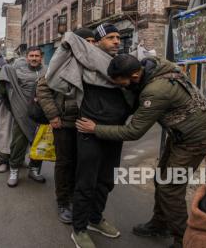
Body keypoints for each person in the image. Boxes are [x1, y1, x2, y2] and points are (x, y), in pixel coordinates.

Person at [76, 54, 206, 248]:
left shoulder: (155, 91)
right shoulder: (156, 65)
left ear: (134, 76)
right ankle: (160, 224)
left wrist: (95, 129)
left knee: (170, 188)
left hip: (194, 139)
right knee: (162, 179)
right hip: (182, 133)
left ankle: (183, 239)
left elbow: (133, 131)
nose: (122, 87)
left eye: (122, 83)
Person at [51, 23, 132, 248]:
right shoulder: (84, 66)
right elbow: (54, 80)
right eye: (111, 38)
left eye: (118, 37)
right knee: (86, 182)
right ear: (96, 42)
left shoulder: (124, 66)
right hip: (89, 133)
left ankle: (95, 219)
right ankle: (79, 229)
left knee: (106, 180)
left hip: (114, 133)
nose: (116, 41)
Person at [36, 27, 95, 224]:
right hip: (64, 122)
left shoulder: (95, 63)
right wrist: (53, 115)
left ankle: (77, 197)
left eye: (93, 41)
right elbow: (43, 90)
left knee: (82, 163)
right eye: (87, 41)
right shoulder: (60, 61)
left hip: (86, 123)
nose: (91, 45)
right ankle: (63, 201)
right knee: (64, 162)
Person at [0, 46, 47, 187]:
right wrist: (11, 105)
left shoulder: (47, 70)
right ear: (27, 57)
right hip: (22, 114)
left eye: (37, 56)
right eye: (31, 56)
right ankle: (14, 170)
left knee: (40, 144)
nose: (34, 58)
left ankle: (34, 169)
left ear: (41, 57)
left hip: (41, 115)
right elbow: (5, 88)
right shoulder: (17, 71)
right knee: (18, 144)